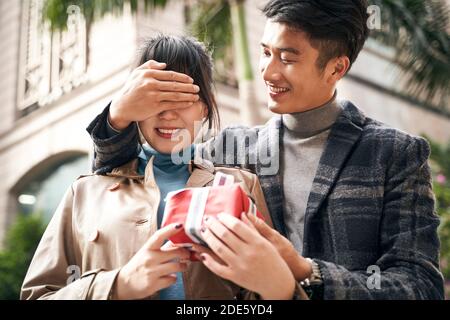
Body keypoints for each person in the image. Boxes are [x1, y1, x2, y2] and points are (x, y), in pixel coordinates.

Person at [85, 0, 445, 299]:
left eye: (287, 58)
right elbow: (115, 181)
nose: (268, 72)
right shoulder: (228, 150)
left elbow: (420, 286)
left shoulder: (395, 154)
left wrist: (305, 271)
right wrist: (117, 115)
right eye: (265, 52)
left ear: (337, 68)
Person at [20, 35, 307, 300]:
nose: (168, 113)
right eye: (156, 98)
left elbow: (264, 288)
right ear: (134, 104)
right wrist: (119, 284)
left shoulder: (241, 186)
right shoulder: (84, 193)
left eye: (182, 98)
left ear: (204, 108)